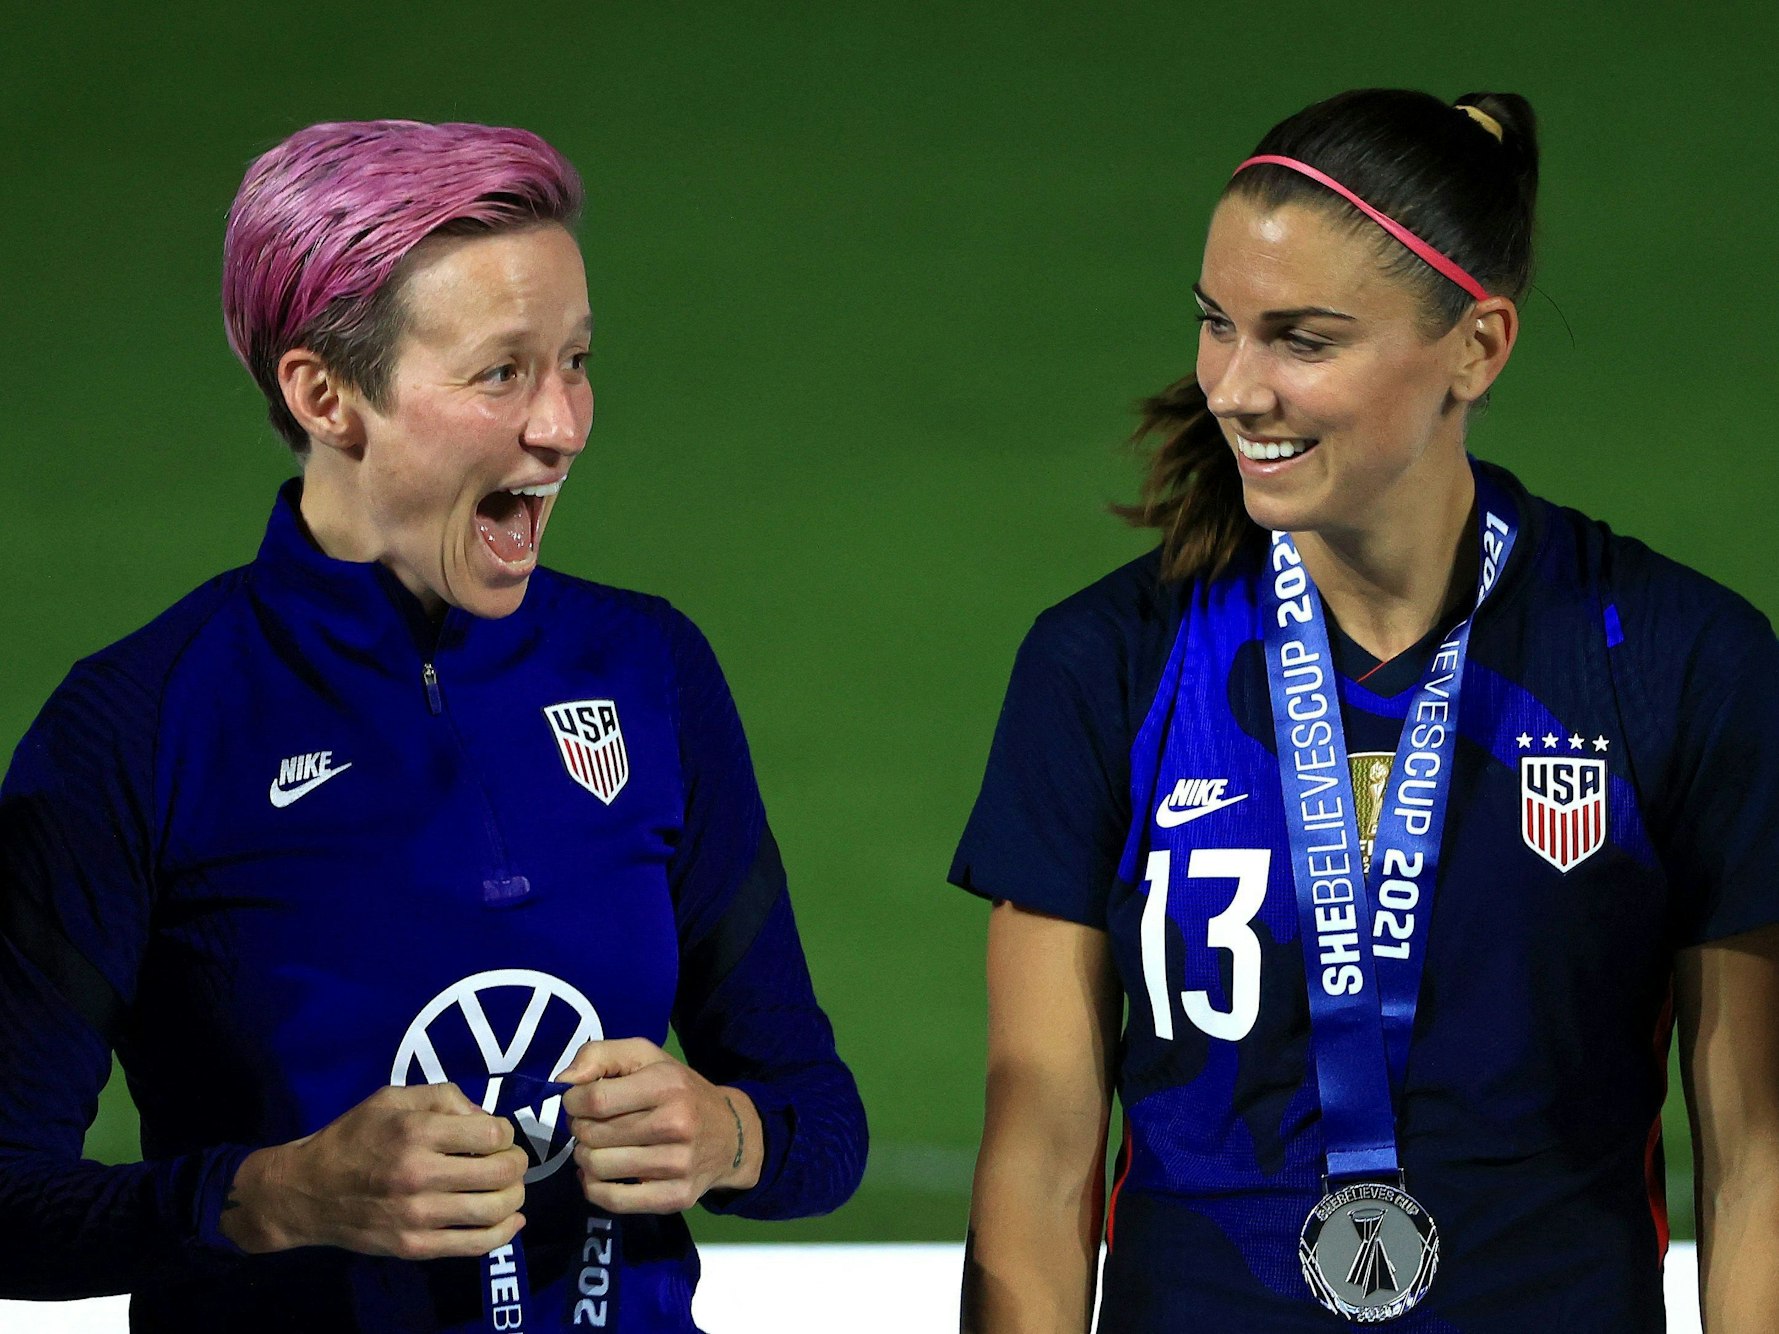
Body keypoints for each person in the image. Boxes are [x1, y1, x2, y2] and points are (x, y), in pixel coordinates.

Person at [0, 119, 866, 1332]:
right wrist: (265, 1195)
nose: (563, 426)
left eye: (575, 359)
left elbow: (818, 1118)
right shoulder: (139, 725)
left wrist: (727, 1134)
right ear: (325, 394)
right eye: (501, 372)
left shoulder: (650, 668)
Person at [951, 88, 1779, 1331]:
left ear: (1476, 347)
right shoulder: (1107, 662)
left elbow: (1756, 1154)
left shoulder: (1676, 658)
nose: (1234, 387)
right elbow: (1038, 1156)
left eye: (1303, 339)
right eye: (1215, 325)